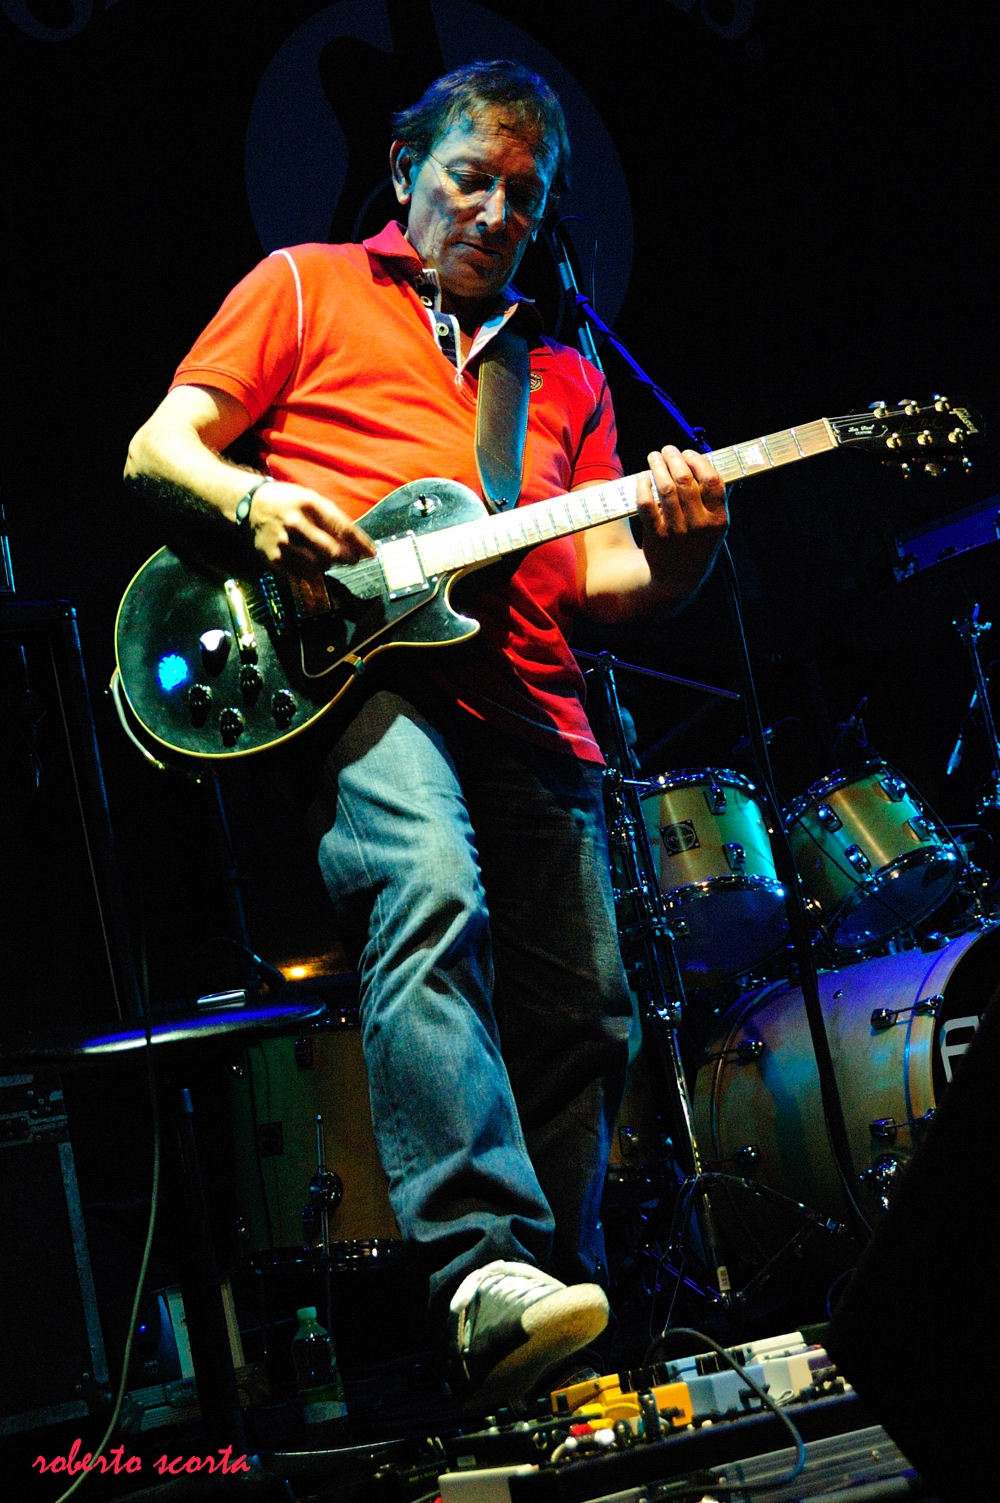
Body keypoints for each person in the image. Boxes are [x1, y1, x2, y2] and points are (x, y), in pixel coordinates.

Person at [124, 59, 728, 1410]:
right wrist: (258, 504)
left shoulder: (561, 374)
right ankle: (481, 1266)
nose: (495, 211)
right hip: (351, 678)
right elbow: (160, 450)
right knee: (427, 888)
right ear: (405, 170)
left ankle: (543, 1331)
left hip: (531, 703)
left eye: (524, 196)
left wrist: (684, 555)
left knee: (587, 1015)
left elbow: (605, 581)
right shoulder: (305, 285)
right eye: (471, 178)